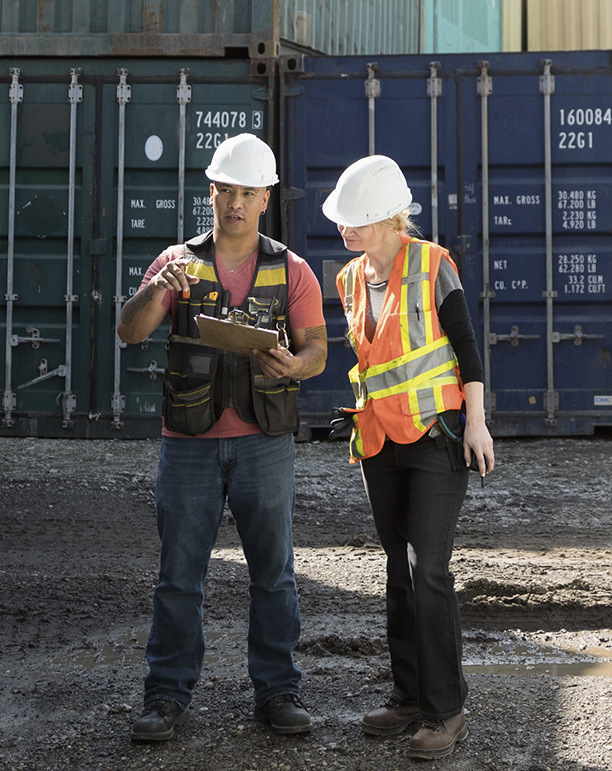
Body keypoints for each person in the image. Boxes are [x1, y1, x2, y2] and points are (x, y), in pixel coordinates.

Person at [115, 133, 329, 743]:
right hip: (188, 442)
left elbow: (317, 349)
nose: (235, 202)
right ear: (212, 193)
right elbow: (130, 332)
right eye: (226, 191)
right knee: (179, 575)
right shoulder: (178, 261)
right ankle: (165, 696)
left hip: (264, 441)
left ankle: (278, 692)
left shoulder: (292, 269)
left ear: (266, 198)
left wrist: (297, 363)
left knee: (275, 574)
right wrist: (160, 285)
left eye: (247, 193)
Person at [322, 154, 495, 761]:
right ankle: (408, 695)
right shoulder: (348, 279)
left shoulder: (431, 265)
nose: (345, 231)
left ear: (388, 219)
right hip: (380, 441)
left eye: (356, 222)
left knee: (429, 568)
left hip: (437, 435)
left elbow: (467, 350)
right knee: (396, 567)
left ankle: (446, 710)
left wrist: (477, 424)